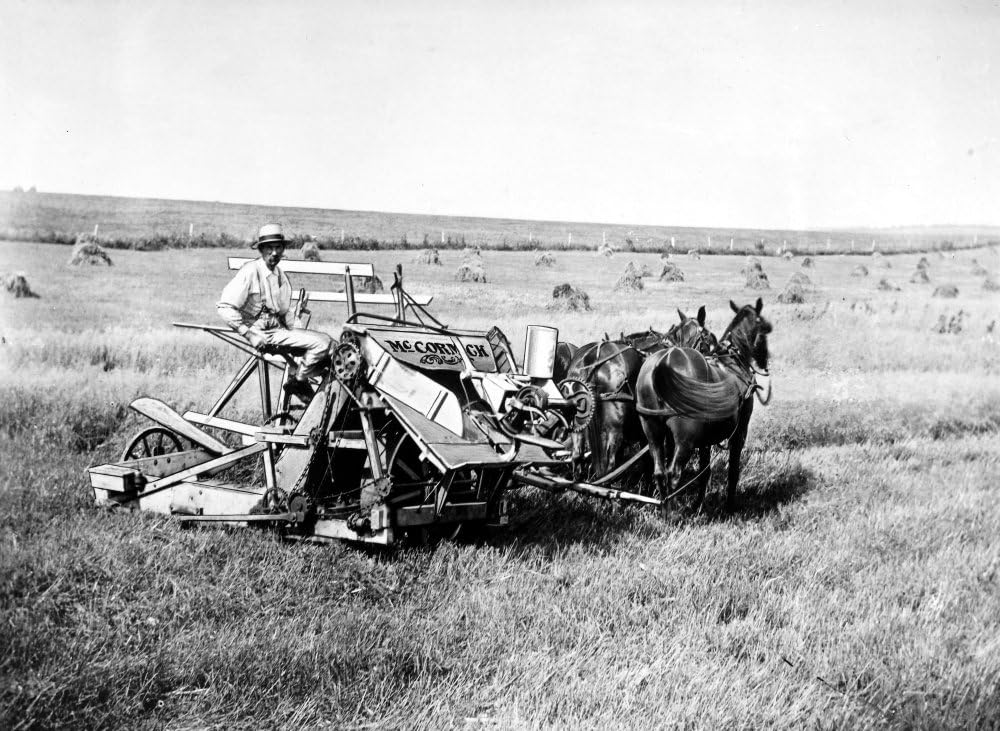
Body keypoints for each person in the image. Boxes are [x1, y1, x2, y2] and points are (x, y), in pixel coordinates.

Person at [217, 223, 332, 401]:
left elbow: (286, 313)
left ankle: (318, 397)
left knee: (331, 349)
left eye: (278, 248)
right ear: (261, 250)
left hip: (278, 330)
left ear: (283, 249)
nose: (274, 253)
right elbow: (224, 307)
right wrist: (248, 335)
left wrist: (300, 334)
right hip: (261, 334)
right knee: (322, 343)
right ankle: (299, 382)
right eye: (269, 248)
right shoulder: (250, 272)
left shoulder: (281, 277)